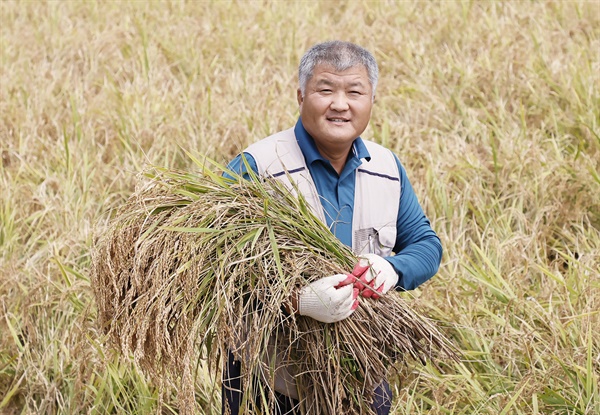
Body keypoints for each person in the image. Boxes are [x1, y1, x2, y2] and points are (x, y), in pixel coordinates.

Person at [222, 40, 442, 415]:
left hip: (363, 372)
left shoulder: (387, 168)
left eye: (354, 92)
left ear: (371, 100)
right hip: (269, 381)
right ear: (301, 95)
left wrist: (393, 269)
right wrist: (297, 301)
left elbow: (425, 244)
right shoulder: (255, 169)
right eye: (326, 90)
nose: (340, 104)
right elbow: (214, 274)